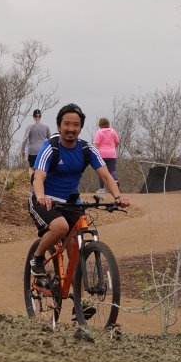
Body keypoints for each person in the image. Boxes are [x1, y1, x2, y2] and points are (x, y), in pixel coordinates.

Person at [29, 103, 128, 280]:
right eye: (67, 124)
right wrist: (42, 197)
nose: (71, 129)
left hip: (71, 203)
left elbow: (106, 175)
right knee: (61, 227)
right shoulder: (50, 147)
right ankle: (37, 258)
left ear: (80, 128)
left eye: (76, 125)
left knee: (77, 251)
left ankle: (79, 302)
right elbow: (38, 177)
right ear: (59, 126)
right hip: (45, 200)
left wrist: (118, 197)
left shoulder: (86, 149)